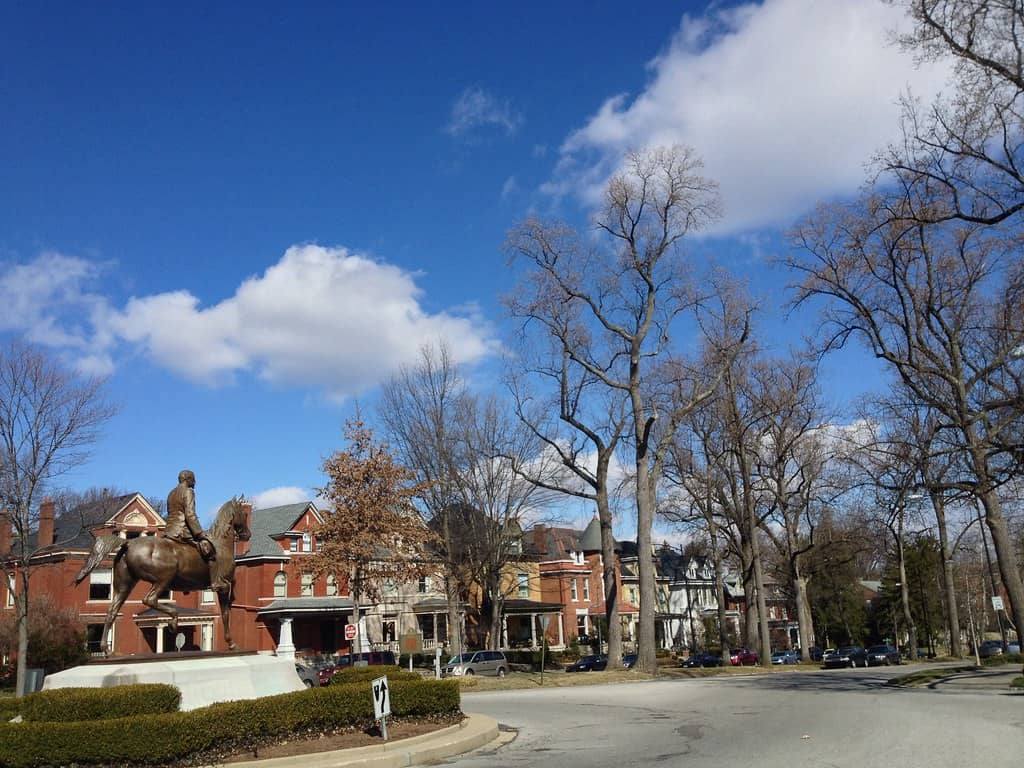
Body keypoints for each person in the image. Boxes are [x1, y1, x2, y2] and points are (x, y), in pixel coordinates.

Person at [164, 469, 229, 592]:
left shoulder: (171, 493)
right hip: (182, 530)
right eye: (193, 479)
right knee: (210, 550)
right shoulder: (188, 491)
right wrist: (199, 533)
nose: (195, 482)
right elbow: (190, 515)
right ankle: (215, 582)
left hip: (169, 530)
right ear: (188, 479)